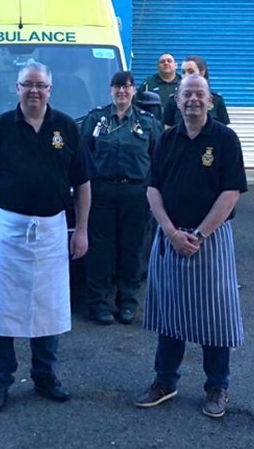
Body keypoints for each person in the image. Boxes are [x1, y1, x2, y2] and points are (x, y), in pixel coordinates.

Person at [0, 61, 91, 413]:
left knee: (48, 306)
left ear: (50, 90)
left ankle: (45, 376)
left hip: (52, 229)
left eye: (41, 85)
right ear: (17, 88)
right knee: (1, 306)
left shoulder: (66, 128)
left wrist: (81, 229)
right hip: (9, 230)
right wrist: (5, 203)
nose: (34, 91)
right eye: (28, 85)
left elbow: (83, 183)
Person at [133, 74, 247, 419]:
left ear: (210, 100)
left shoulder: (225, 139)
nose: (193, 100)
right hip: (170, 237)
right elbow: (153, 188)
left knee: (216, 317)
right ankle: (165, 381)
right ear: (177, 101)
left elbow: (231, 193)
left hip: (209, 241)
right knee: (170, 313)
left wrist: (198, 235)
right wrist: (169, 231)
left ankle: (217, 385)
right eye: (187, 94)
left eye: (199, 94)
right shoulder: (167, 139)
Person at [80, 71, 161, 326]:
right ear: (110, 90)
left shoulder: (147, 122)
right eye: (117, 87)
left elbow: (158, 159)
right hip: (101, 193)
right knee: (100, 252)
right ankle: (99, 305)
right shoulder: (96, 119)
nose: (122, 92)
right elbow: (83, 157)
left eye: (126, 87)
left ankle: (127, 303)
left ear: (134, 91)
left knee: (132, 250)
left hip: (135, 194)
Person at [164, 56, 229, 127]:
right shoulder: (173, 100)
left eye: (191, 72)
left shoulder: (217, 100)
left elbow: (224, 130)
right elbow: (167, 129)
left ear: (202, 73)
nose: (186, 75)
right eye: (183, 72)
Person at [138, 53, 181, 122]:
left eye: (169, 61)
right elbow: (137, 108)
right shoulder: (147, 84)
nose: (166, 63)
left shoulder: (183, 84)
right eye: (162, 61)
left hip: (177, 127)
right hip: (153, 127)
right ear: (157, 66)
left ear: (176, 65)